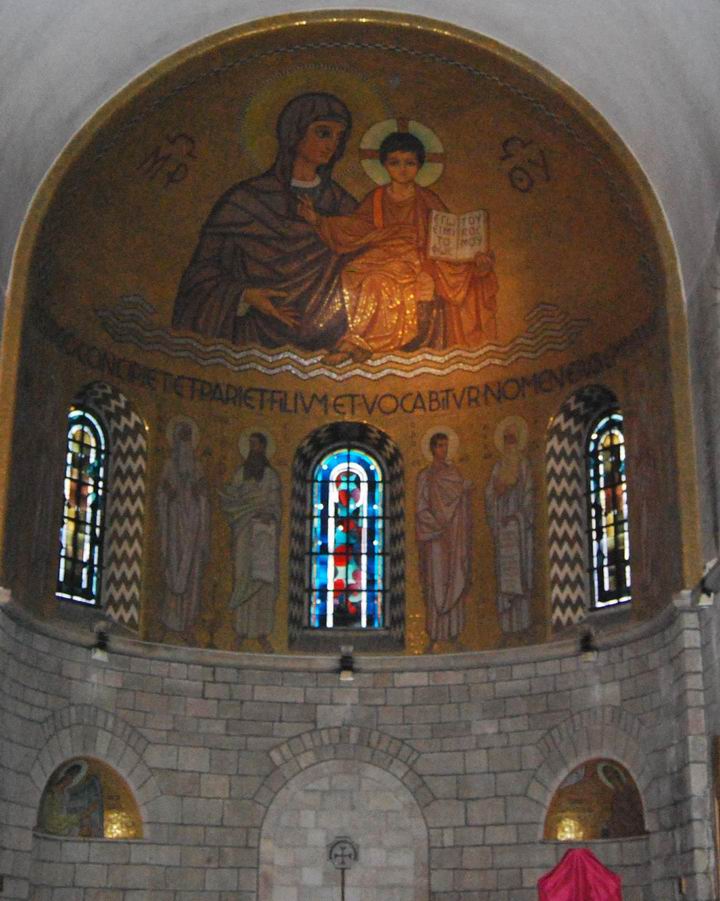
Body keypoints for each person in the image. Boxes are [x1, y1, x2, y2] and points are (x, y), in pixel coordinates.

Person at [172, 92, 366, 355]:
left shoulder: (341, 205)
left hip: (330, 342)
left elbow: (369, 261)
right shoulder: (245, 200)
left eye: (338, 136)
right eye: (323, 133)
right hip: (251, 339)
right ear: (294, 132)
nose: (332, 144)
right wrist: (244, 296)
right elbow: (200, 276)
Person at [299, 130, 498, 356]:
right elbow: (355, 228)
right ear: (384, 165)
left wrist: (474, 257)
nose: (402, 169)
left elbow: (449, 237)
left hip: (414, 257)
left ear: (419, 166)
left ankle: (367, 343)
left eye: (409, 163)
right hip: (380, 252)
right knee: (353, 271)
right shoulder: (376, 198)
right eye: (395, 162)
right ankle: (360, 340)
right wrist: (318, 221)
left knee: (379, 281)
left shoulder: (427, 199)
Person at [220, 433, 281, 651]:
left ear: (263, 449)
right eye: (250, 446)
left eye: (256, 446)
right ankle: (240, 632)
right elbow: (232, 500)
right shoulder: (240, 475)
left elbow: (276, 505)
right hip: (245, 532)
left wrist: (269, 514)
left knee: (263, 582)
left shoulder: (271, 477)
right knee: (243, 576)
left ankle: (263, 633)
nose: (253, 450)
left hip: (264, 535)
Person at [415, 432, 473, 647]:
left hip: (454, 537)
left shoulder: (455, 474)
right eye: (440, 446)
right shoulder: (425, 476)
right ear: (432, 448)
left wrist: (464, 495)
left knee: (454, 577)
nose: (444, 450)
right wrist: (437, 525)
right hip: (435, 539)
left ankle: (454, 634)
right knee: (436, 583)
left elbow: (462, 504)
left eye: (446, 446)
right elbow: (420, 508)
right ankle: (434, 635)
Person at [156, 418, 211, 634]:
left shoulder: (197, 468)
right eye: (182, 438)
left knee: (192, 573)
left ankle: (188, 623)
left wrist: (201, 495)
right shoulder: (169, 466)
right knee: (172, 566)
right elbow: (160, 493)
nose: (186, 443)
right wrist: (167, 496)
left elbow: (204, 497)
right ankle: (169, 621)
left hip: (193, 527)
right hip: (172, 526)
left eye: (189, 438)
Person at [485, 418, 534, 633]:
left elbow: (530, 495)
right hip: (503, 530)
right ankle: (506, 629)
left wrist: (516, 516)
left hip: (519, 529)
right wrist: (496, 494)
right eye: (506, 439)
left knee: (520, 577)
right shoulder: (498, 467)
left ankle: (523, 626)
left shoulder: (522, 465)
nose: (509, 443)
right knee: (504, 580)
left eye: (512, 439)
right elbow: (489, 495)